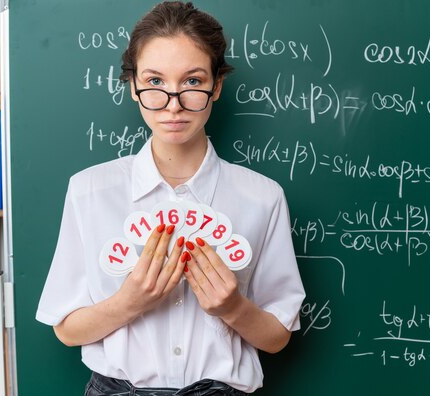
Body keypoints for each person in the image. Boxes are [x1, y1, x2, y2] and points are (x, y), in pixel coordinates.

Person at [36, 1, 305, 394]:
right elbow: (66, 328)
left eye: (193, 82)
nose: (173, 104)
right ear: (133, 86)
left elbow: (277, 336)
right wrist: (129, 301)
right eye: (156, 82)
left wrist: (232, 308)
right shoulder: (89, 190)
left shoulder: (262, 198)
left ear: (216, 87)